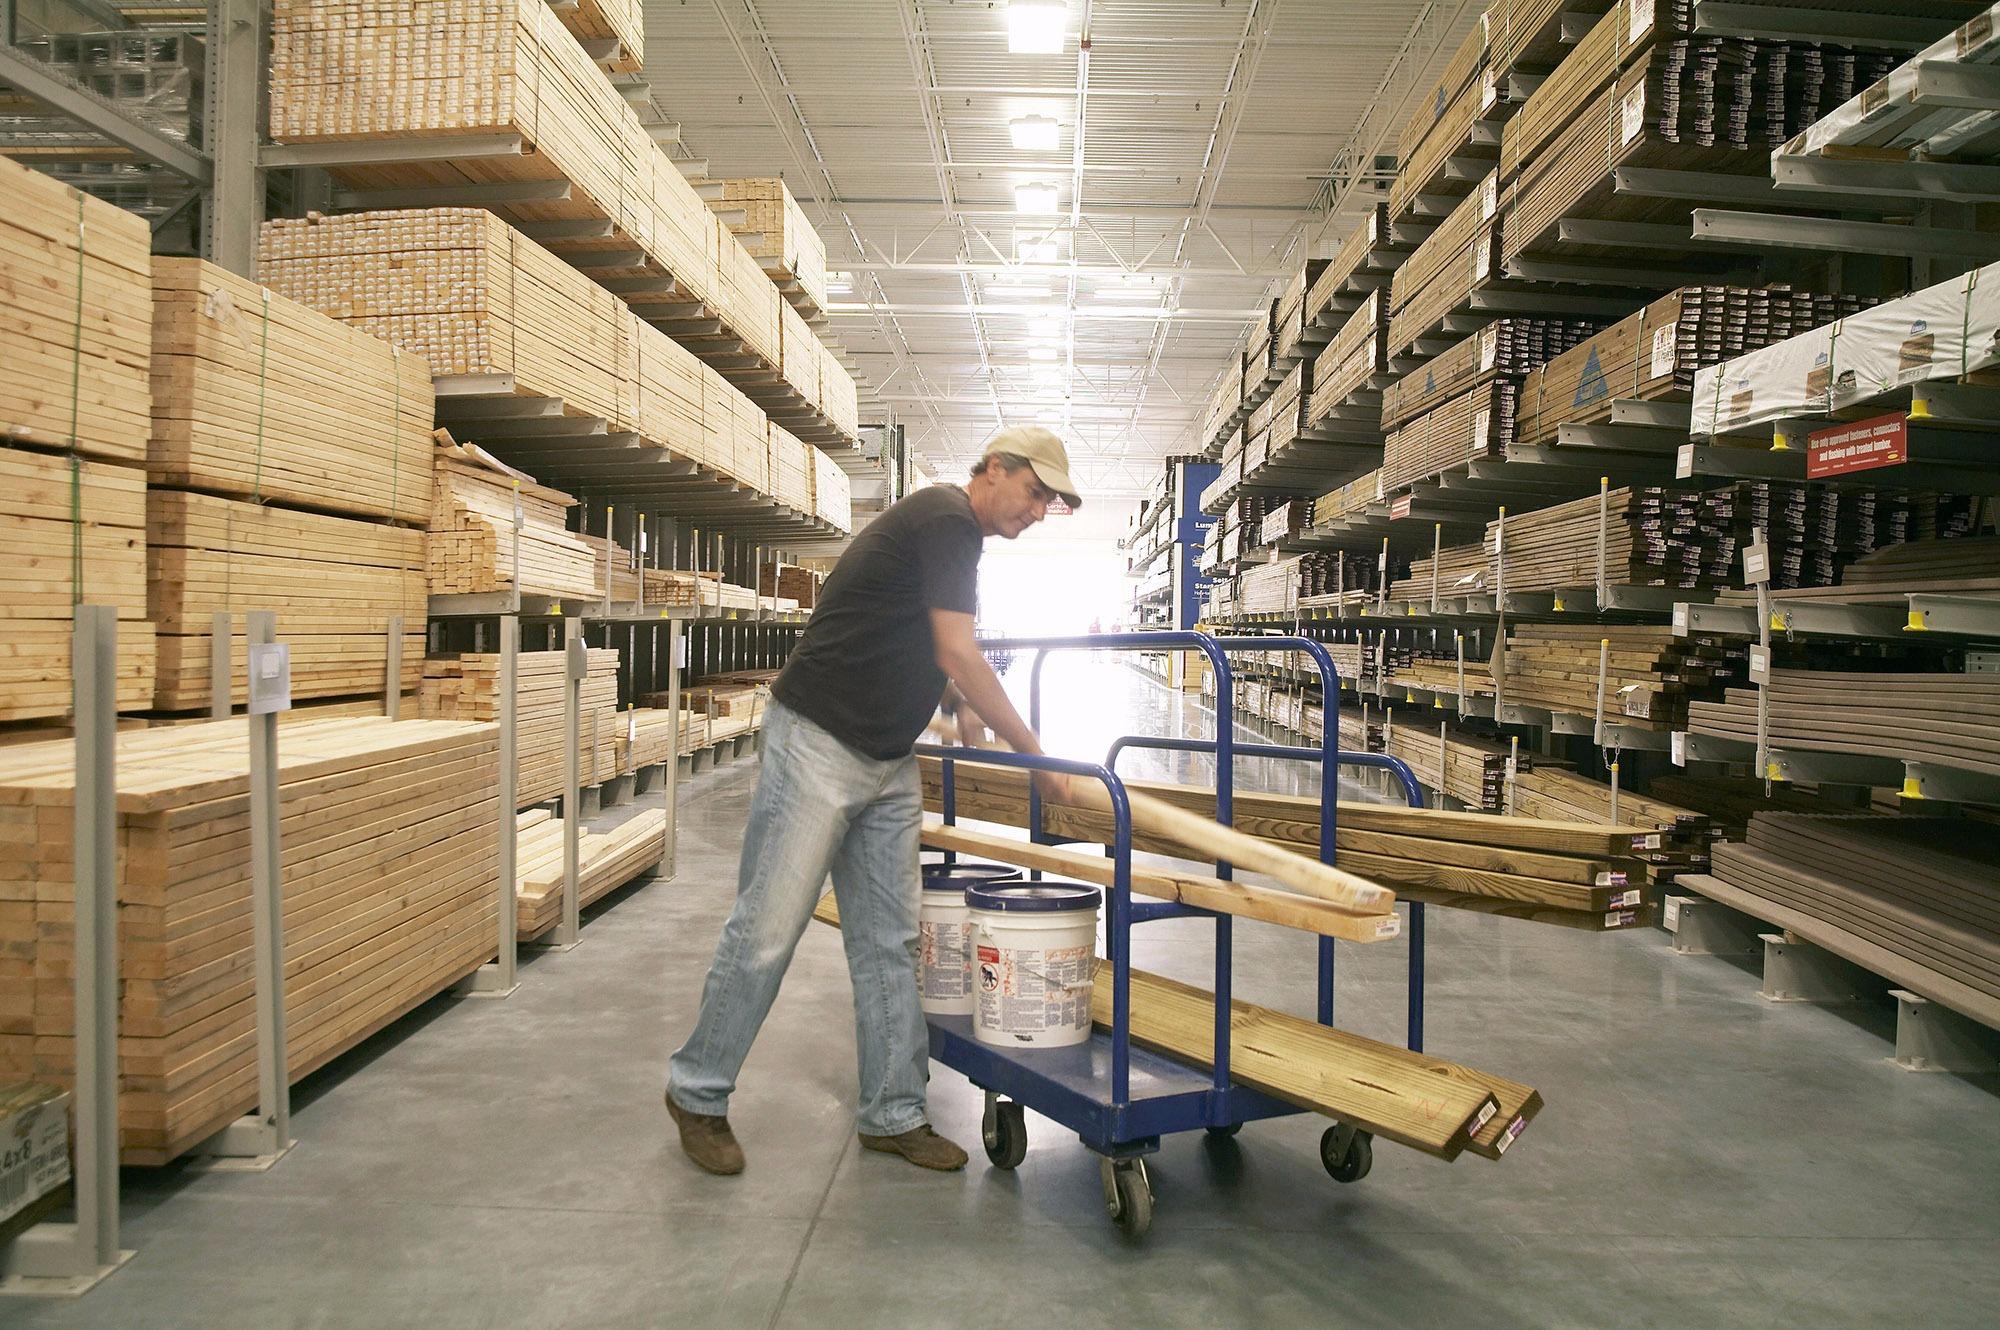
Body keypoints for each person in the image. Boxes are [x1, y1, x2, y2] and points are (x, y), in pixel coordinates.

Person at [664, 426, 1083, 1176]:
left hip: (887, 758)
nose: (1037, 510)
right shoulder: (948, 520)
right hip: (819, 743)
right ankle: (696, 1092)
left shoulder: (950, 532)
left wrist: (959, 700)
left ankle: (893, 1113)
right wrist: (1037, 757)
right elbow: (956, 646)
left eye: (1048, 502)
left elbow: (914, 635)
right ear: (994, 468)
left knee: (890, 941)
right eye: (1034, 492)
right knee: (767, 929)